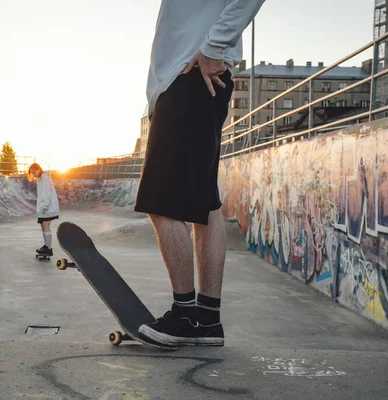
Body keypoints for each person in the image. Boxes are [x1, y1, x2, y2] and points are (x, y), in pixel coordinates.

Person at [134, 0, 265, 347]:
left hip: (191, 77)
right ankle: (206, 319)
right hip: (194, 80)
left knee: (161, 203)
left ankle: (185, 314)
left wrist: (214, 46)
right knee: (205, 205)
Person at [28, 163, 59, 256]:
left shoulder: (45, 178)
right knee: (43, 226)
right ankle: (46, 246)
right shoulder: (40, 179)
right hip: (44, 208)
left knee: (46, 226)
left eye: (34, 172)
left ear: (38, 169)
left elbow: (46, 194)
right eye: (32, 173)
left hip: (48, 208)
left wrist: (43, 207)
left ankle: (49, 249)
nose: (34, 174)